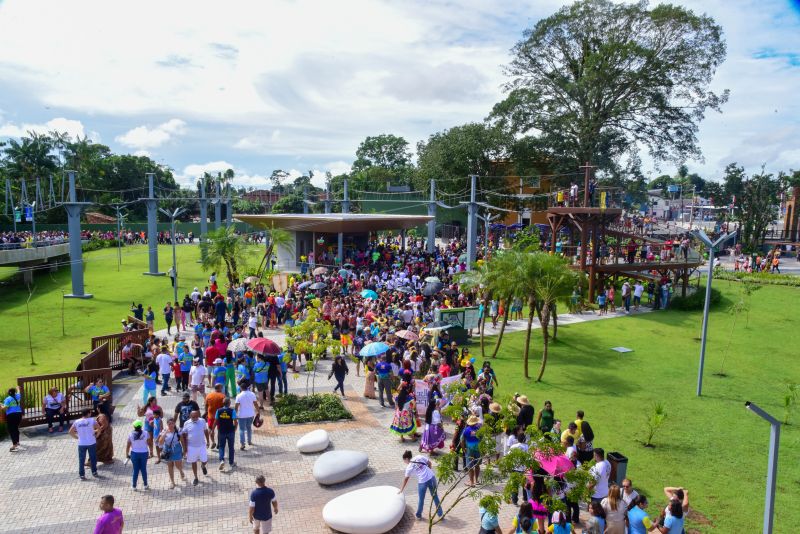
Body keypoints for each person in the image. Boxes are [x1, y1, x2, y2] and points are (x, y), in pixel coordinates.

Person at [398, 450, 443, 521]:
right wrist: (428, 472)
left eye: (404, 460)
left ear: (406, 459)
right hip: (431, 477)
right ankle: (440, 514)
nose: (404, 462)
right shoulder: (419, 457)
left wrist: (401, 489)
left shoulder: (409, 467)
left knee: (421, 499)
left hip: (422, 482)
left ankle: (418, 515)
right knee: (435, 496)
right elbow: (429, 463)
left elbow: (406, 479)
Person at [180, 410, 209, 486]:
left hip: (202, 445)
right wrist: (185, 447)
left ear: (198, 416)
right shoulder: (186, 423)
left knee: (205, 460)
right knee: (194, 462)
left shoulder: (202, 421)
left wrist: (208, 441)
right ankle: (196, 477)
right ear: (190, 417)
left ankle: (203, 466)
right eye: (193, 417)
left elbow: (206, 431)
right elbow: (183, 434)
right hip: (191, 447)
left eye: (196, 417)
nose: (195, 418)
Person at [69, 408, 100, 479]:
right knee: (93, 458)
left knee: (81, 459)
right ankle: (94, 471)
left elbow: (70, 431)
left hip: (81, 443)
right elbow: (99, 429)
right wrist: (96, 436)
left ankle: (82, 474)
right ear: (88, 413)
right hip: (91, 442)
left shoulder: (77, 422)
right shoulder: (92, 420)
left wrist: (77, 437)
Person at [157, 418, 186, 489]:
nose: (171, 425)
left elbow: (182, 440)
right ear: (167, 424)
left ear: (174, 424)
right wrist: (165, 433)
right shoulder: (164, 430)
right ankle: (172, 482)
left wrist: (184, 449)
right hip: (167, 450)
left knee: (178, 465)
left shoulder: (178, 430)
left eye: (172, 423)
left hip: (177, 449)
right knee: (170, 465)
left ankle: (181, 471)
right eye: (169, 424)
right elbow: (160, 442)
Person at [213, 397, 238, 471]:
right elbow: (235, 421)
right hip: (230, 431)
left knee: (221, 447)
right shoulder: (232, 411)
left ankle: (221, 460)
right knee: (231, 447)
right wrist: (235, 428)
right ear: (229, 403)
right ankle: (231, 462)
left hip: (221, 431)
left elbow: (216, 421)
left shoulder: (219, 410)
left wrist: (212, 429)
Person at [125, 420, 150, 490]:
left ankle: (134, 486)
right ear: (141, 426)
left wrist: (126, 453)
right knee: (143, 469)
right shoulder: (146, 433)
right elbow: (148, 442)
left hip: (134, 454)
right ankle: (145, 485)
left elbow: (128, 445)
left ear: (134, 426)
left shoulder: (130, 434)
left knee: (135, 470)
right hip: (144, 453)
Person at [235, 382, 258, 450]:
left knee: (242, 429)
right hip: (251, 414)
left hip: (241, 415)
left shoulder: (239, 396)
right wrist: (258, 411)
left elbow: (236, 407)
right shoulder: (252, 394)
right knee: (249, 428)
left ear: (241, 388)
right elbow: (255, 404)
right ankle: (249, 441)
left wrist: (235, 415)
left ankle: (242, 444)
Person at [461, 414, 482, 487]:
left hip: (469, 450)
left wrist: (464, 449)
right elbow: (482, 439)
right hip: (478, 449)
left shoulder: (466, 430)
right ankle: (476, 480)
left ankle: (471, 482)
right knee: (477, 465)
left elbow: (462, 440)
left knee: (470, 466)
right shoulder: (479, 429)